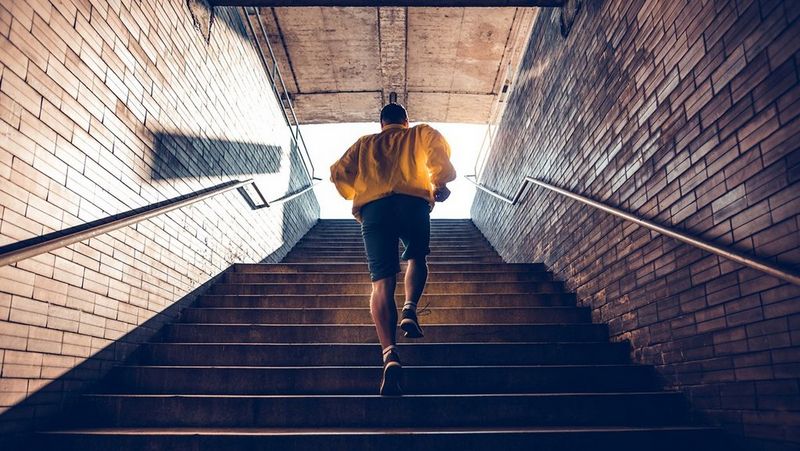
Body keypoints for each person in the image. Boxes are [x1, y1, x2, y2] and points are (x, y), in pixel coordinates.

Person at [330, 102, 457, 396]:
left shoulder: (365, 144)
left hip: (375, 209)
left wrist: (357, 188)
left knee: (380, 284)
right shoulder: (419, 133)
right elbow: (438, 152)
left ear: (381, 124)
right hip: (412, 203)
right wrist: (439, 182)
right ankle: (410, 309)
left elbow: (340, 173)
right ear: (406, 121)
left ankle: (389, 354)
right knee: (416, 257)